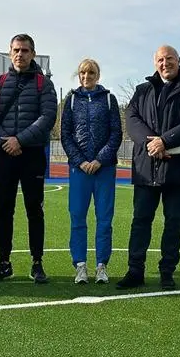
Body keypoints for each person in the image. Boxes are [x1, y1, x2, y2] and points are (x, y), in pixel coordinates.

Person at [115, 45, 180, 290]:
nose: (165, 63)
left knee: (173, 221)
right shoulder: (142, 90)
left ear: (178, 60)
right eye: (160, 59)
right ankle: (135, 271)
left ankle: (167, 271)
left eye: (169, 59)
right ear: (154, 62)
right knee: (140, 220)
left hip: (178, 168)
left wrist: (165, 141)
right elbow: (132, 119)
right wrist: (153, 144)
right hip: (147, 168)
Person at [0, 34, 58, 284]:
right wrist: (4, 139)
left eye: (25, 50)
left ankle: (37, 262)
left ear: (33, 53)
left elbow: (47, 117)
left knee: (34, 209)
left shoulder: (43, 84)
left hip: (32, 154)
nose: (20, 54)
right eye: (16, 50)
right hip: (4, 154)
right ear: (9, 52)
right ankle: (4, 262)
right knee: (4, 209)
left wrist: (20, 140)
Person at [60, 58, 123, 284]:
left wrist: (99, 159)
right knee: (77, 217)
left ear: (98, 75)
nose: (87, 77)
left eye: (91, 73)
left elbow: (116, 133)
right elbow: (65, 134)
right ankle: (80, 265)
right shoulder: (71, 101)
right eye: (83, 73)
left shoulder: (109, 99)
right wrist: (80, 161)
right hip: (79, 170)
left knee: (104, 219)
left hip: (103, 169)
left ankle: (101, 265)